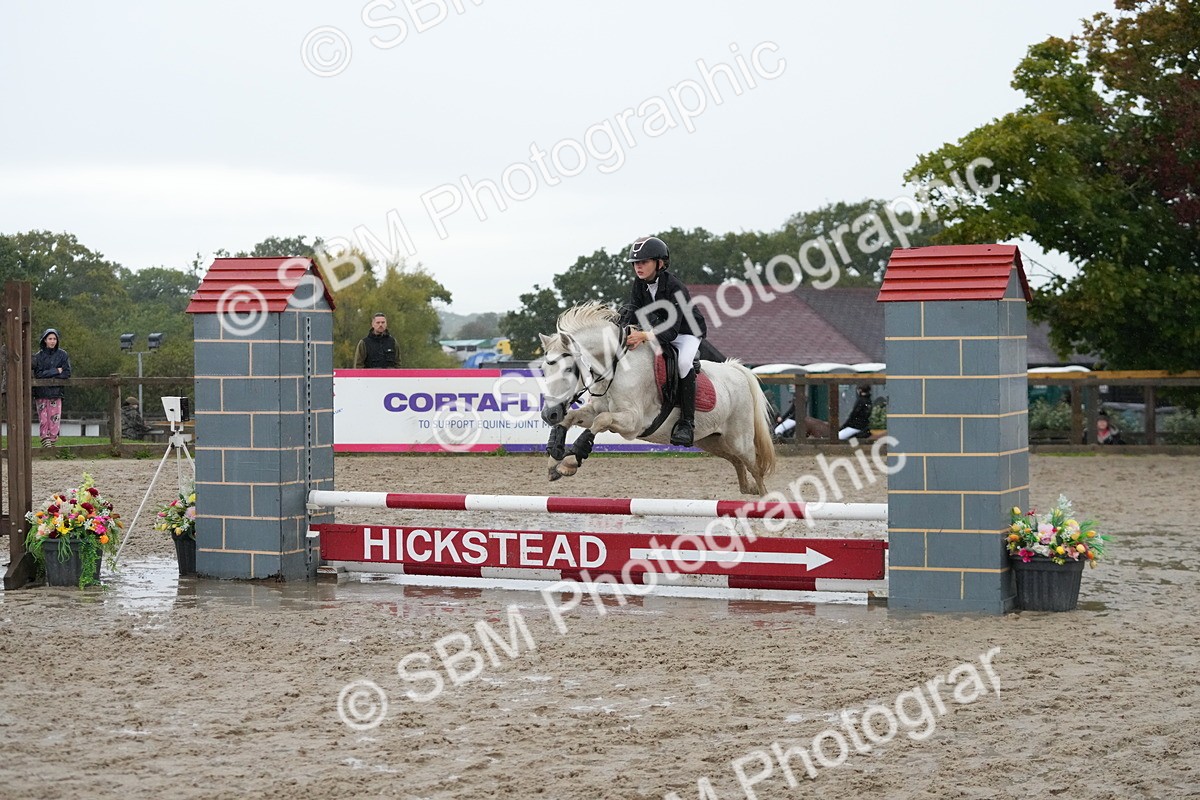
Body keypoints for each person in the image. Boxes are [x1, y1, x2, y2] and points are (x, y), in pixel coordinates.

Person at [617, 235, 707, 447]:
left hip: (687, 332)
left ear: (660, 263)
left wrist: (643, 335)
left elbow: (672, 332)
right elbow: (634, 310)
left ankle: (686, 423)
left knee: (684, 363)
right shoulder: (639, 284)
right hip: (658, 329)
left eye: (643, 262)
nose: (638, 267)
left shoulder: (675, 287)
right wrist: (620, 329)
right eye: (636, 263)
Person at [32, 328, 71, 448]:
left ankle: (53, 441)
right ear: (45, 340)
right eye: (50, 339)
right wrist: (56, 371)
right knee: (44, 419)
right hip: (41, 392)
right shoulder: (38, 356)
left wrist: (50, 373)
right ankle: (45, 438)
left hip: (56, 392)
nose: (52, 341)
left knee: (55, 419)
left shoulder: (62, 355)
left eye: (54, 339)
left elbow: (67, 373)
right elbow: (38, 374)